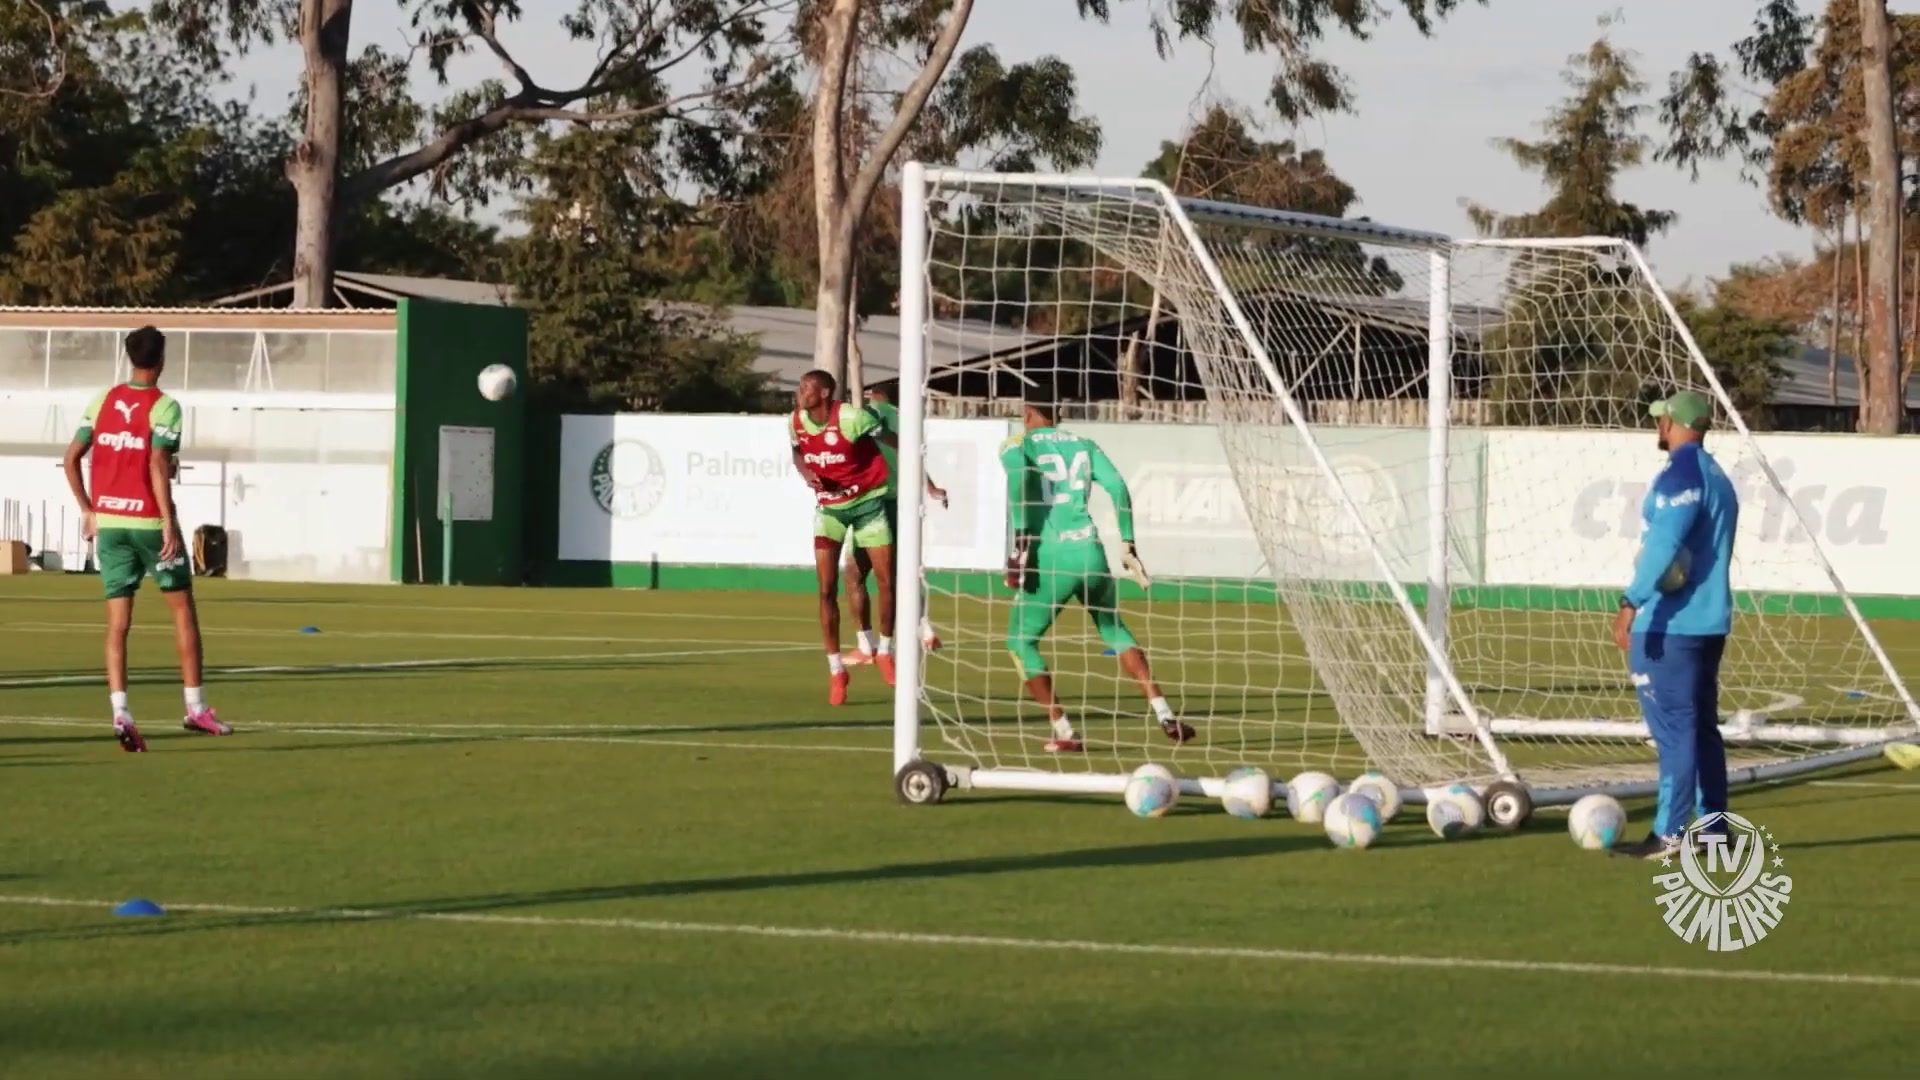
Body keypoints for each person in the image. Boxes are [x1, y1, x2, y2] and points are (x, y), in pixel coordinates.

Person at [62, 326, 231, 752]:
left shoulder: (102, 401)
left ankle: (120, 711)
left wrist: (88, 509)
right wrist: (169, 520)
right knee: (182, 611)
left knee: (118, 624)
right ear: (162, 359)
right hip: (149, 525)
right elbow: (158, 461)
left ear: (129, 357)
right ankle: (196, 708)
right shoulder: (165, 406)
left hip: (111, 525)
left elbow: (71, 458)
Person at [1000, 385, 1193, 752]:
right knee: (1115, 630)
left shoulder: (1016, 444)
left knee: (1020, 642)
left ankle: (1064, 732)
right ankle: (1164, 713)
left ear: (1026, 413)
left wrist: (1020, 546)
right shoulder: (1085, 445)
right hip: (1090, 551)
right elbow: (1119, 487)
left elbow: (1018, 481)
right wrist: (1128, 542)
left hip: (1048, 555)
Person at [1611, 389, 1738, 860]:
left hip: (1672, 625)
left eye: (1660, 419)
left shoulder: (1681, 473)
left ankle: (1667, 833)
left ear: (1672, 424)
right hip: (1709, 624)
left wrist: (1630, 600)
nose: (1656, 426)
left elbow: (1666, 542)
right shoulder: (1717, 475)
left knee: (1676, 733)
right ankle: (1713, 830)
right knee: (1702, 729)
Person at [789, 369, 900, 705]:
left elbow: (896, 441)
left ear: (824, 393)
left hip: (868, 506)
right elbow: (796, 451)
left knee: (886, 581)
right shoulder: (795, 420)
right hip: (830, 513)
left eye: (807, 387)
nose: (800, 392)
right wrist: (808, 473)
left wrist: (921, 479)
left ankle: (885, 650)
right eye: (800, 385)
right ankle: (837, 669)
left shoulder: (852, 417)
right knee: (825, 590)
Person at [842, 379, 945, 664]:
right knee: (899, 573)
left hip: (873, 503)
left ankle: (867, 646)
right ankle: (924, 629)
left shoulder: (868, 413)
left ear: (874, 394)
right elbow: (911, 455)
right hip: (902, 502)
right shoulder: (905, 419)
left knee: (855, 573)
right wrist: (930, 486)